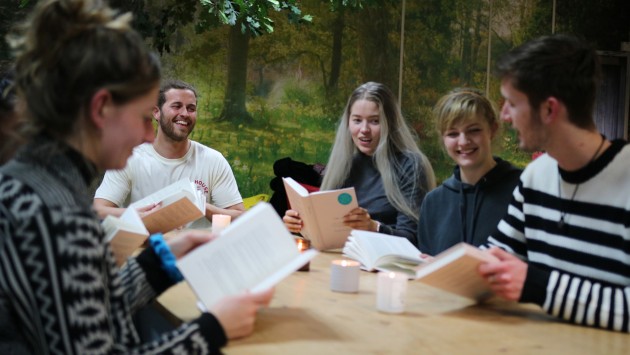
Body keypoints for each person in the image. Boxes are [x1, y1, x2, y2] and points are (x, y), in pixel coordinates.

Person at [0, 0, 272, 353]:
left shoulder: (37, 184)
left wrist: (162, 260)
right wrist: (213, 329)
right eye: (145, 116)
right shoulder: (58, 214)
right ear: (100, 109)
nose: (148, 134)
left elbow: (88, 310)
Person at [477, 34, 630, 332]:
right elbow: (494, 257)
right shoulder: (536, 175)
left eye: (511, 103)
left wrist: (539, 286)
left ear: (549, 109)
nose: (505, 116)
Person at [284, 82, 436, 243]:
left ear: (390, 123)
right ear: (348, 122)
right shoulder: (344, 165)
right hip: (342, 259)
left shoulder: (410, 165)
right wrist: (301, 226)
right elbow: (328, 235)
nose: (364, 129)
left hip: (388, 265)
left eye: (374, 121)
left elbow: (412, 240)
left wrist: (374, 227)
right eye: (357, 120)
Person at [93, 79, 244, 227]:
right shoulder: (129, 159)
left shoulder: (213, 160)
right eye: (177, 106)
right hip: (146, 249)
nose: (185, 113)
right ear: (156, 112)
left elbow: (240, 217)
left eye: (191, 108)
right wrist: (137, 214)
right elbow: (98, 210)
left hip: (196, 250)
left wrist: (202, 206)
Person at [417, 89, 521, 255]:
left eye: (474, 130)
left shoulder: (521, 190)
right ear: (443, 139)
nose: (463, 141)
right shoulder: (433, 203)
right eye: (453, 134)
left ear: (492, 130)